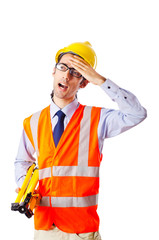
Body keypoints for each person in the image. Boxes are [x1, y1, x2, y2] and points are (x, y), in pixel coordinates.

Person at [14, 41, 147, 240]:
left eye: (76, 72)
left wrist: (102, 81)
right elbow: (22, 162)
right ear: (54, 71)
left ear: (84, 82)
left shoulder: (97, 119)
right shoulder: (32, 122)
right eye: (63, 67)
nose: (66, 75)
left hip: (81, 231)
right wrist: (24, 188)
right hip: (44, 229)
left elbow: (137, 114)